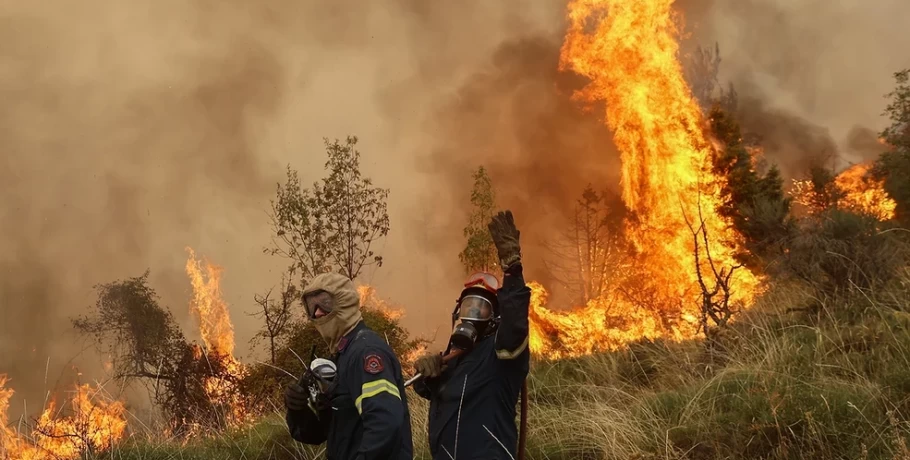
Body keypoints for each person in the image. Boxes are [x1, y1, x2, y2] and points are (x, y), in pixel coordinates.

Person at [413, 210, 531, 460]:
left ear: (495, 319)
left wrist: (512, 269)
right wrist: (426, 375)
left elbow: (515, 326)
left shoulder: (500, 357)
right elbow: (427, 391)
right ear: (456, 313)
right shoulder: (453, 360)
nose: (472, 314)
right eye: (468, 307)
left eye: (482, 309)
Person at [284, 272, 414, 460]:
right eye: (311, 306)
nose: (317, 312)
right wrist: (299, 408)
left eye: (324, 302)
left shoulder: (366, 353)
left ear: (344, 302)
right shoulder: (340, 357)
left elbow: (385, 423)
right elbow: (317, 434)